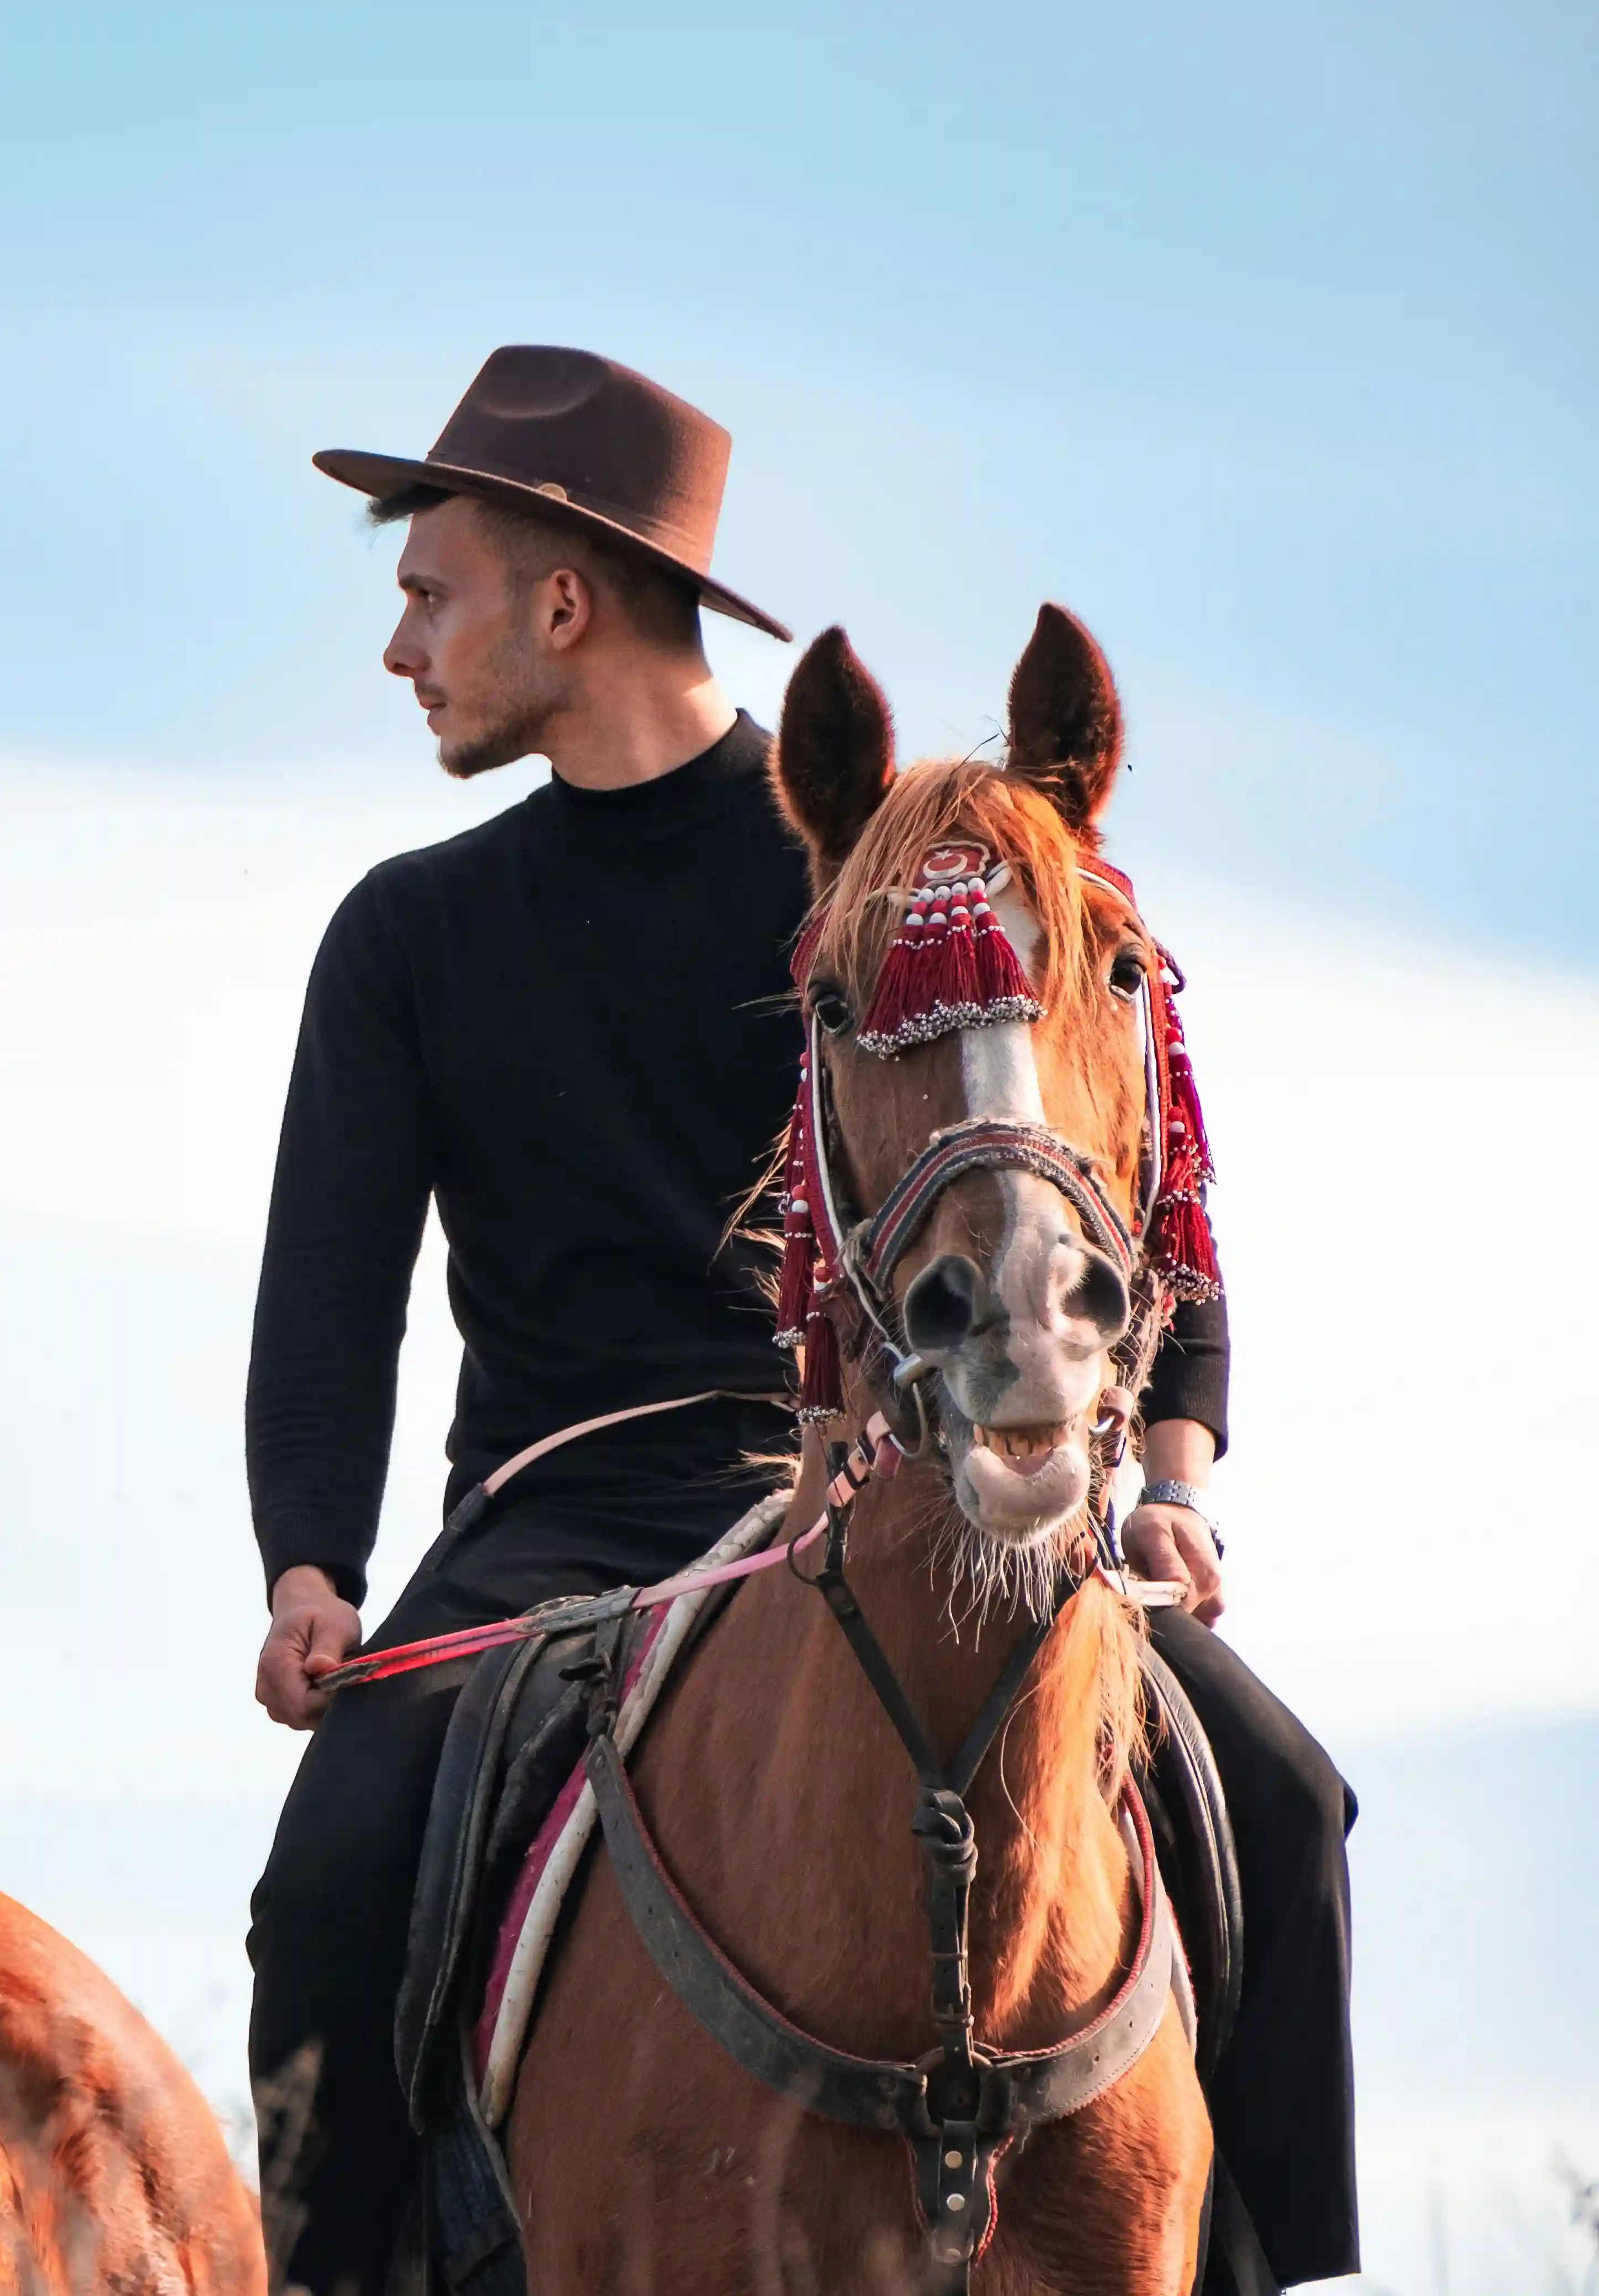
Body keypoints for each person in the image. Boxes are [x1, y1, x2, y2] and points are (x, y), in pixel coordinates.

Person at [240, 348, 1357, 2293]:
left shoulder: (887, 882)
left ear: (562, 603)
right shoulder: (406, 932)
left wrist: (1175, 1460)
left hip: (891, 1481)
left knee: (1283, 1795)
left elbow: (1109, 1158)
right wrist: (312, 1560)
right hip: (563, 1521)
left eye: (427, 595)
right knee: (328, 1879)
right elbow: (328, 1290)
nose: (399, 649)